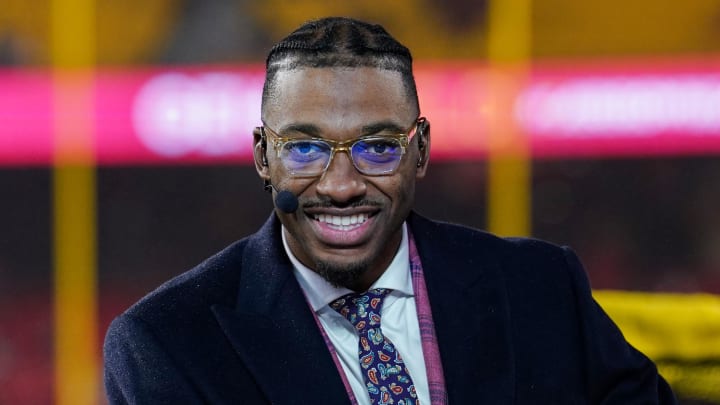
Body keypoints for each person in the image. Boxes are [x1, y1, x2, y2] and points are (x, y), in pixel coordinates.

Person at [103, 17, 677, 404]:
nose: (342, 185)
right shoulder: (165, 343)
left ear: (420, 150)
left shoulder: (541, 288)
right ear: (263, 157)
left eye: (377, 147)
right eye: (305, 148)